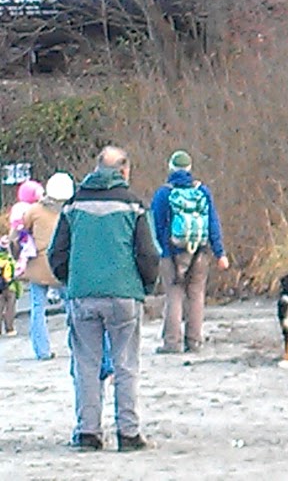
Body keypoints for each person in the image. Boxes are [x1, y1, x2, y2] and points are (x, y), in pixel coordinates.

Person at [48, 146, 159, 453]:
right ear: (124, 170)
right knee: (126, 364)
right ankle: (129, 433)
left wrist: (72, 281)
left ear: (96, 169)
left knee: (85, 364)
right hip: (124, 295)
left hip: (83, 295)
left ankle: (88, 432)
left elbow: (57, 253)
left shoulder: (73, 205)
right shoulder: (133, 205)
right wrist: (145, 286)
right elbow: (148, 254)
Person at [149, 150, 229, 354]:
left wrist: (160, 250)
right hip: (200, 253)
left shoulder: (163, 194)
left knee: (174, 295)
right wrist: (220, 252)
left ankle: (172, 343)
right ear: (189, 168)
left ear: (170, 167)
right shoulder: (202, 191)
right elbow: (213, 223)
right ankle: (194, 341)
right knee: (196, 295)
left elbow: (155, 225)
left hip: (171, 253)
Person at [14, 172, 76, 360]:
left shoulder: (34, 211)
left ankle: (42, 351)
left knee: (37, 309)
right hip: (63, 265)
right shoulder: (72, 211)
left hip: (39, 266)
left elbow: (20, 232)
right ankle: (76, 345)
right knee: (73, 308)